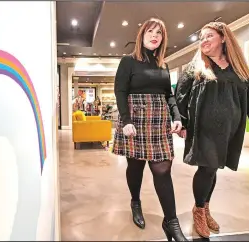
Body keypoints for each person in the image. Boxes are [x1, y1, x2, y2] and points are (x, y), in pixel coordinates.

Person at [175, 21, 249, 238]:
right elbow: (180, 97)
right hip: (203, 128)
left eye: (208, 36)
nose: (204, 40)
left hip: (229, 129)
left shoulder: (237, 67)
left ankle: (205, 206)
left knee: (214, 167)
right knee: (207, 168)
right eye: (201, 37)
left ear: (223, 38)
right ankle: (199, 210)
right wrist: (181, 122)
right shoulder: (196, 67)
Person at [112, 17, 188, 241]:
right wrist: (126, 120)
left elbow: (169, 94)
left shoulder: (163, 64)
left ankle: (171, 222)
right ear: (142, 35)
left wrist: (176, 116)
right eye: (150, 32)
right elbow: (120, 92)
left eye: (159, 33)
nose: (155, 36)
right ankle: (135, 202)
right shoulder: (128, 61)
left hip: (159, 120)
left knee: (163, 169)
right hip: (134, 120)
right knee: (135, 168)